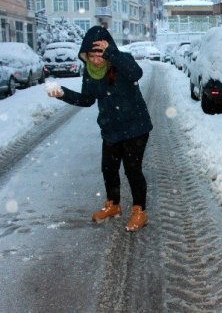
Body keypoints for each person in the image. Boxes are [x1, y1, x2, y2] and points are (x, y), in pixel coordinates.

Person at [46, 26, 153, 232]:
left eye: (100, 54)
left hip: (135, 126)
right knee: (108, 168)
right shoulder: (89, 72)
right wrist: (62, 93)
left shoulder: (122, 61)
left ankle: (140, 211)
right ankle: (113, 205)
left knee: (132, 169)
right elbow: (87, 99)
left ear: (108, 51)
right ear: (85, 55)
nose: (96, 60)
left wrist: (112, 52)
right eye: (91, 55)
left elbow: (136, 73)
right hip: (111, 128)